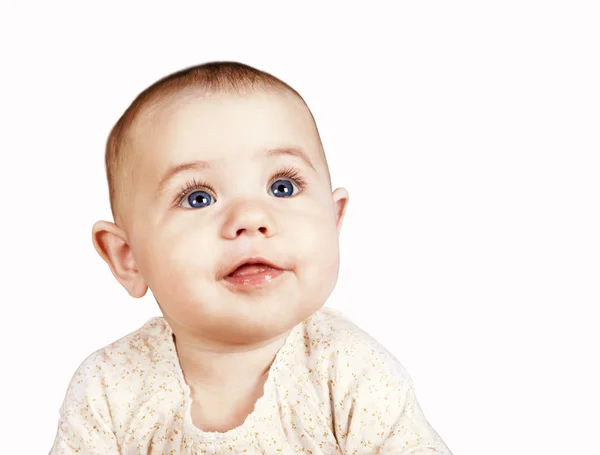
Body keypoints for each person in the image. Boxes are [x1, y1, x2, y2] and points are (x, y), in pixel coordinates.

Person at [49, 61, 452, 454]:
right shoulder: (109, 388)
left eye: (282, 187)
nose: (250, 218)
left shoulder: (351, 372)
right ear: (128, 256)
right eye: (198, 198)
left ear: (334, 219)